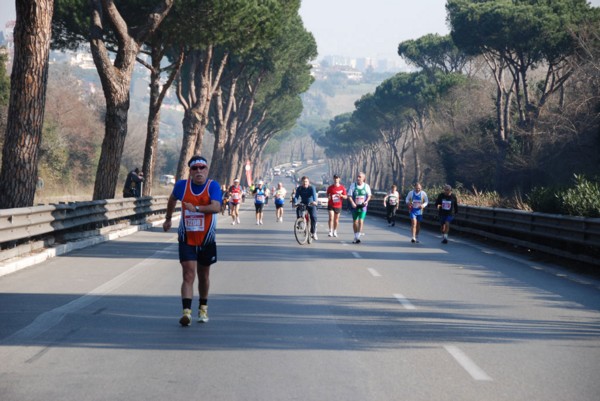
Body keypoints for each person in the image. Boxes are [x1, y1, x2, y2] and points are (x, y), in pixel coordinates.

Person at [162, 155, 222, 326]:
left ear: (207, 170)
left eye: (202, 168)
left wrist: (195, 208)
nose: (198, 171)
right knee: (188, 274)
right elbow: (172, 199)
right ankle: (186, 313)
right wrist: (168, 219)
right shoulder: (182, 186)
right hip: (186, 238)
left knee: (203, 275)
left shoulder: (213, 186)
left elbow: (216, 207)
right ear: (190, 172)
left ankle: (203, 308)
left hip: (206, 239)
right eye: (195, 169)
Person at [348, 172, 372, 244]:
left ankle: (358, 236)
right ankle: (355, 235)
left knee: (361, 221)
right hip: (355, 206)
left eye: (360, 177)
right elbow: (349, 195)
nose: (358, 178)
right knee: (355, 222)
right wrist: (352, 203)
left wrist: (366, 201)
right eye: (357, 177)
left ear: (363, 178)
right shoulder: (353, 185)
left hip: (363, 207)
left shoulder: (366, 186)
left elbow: (369, 195)